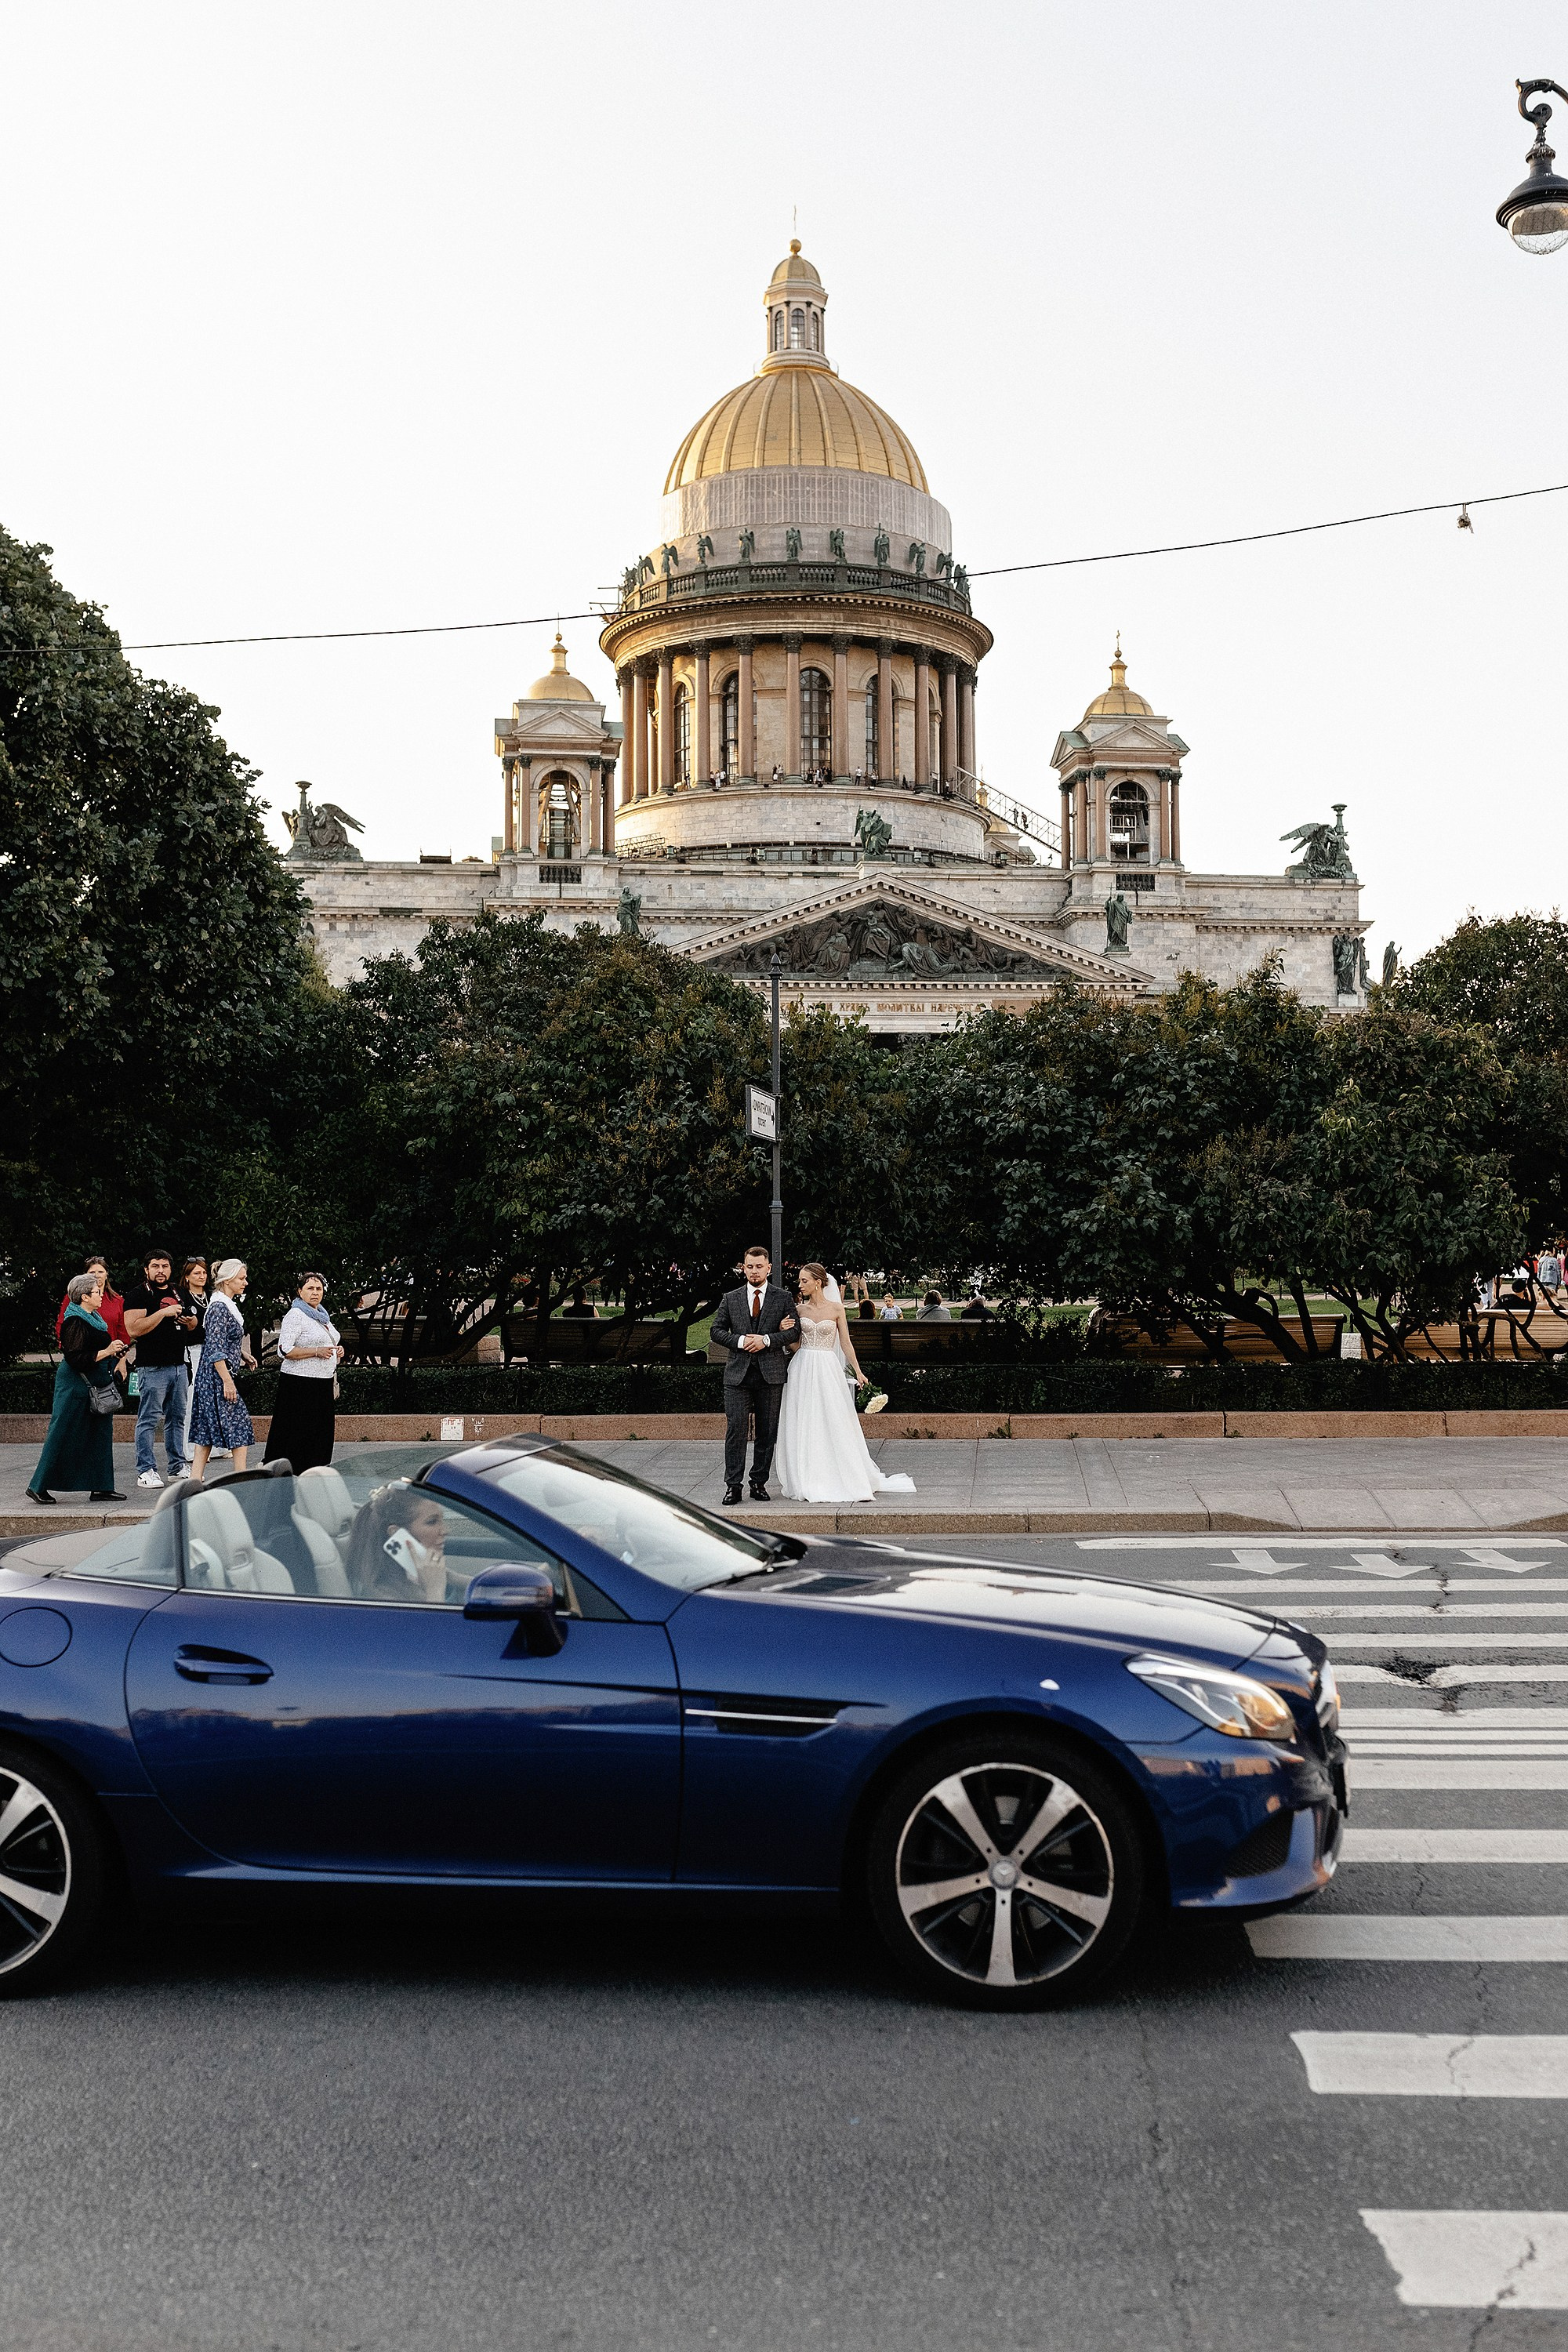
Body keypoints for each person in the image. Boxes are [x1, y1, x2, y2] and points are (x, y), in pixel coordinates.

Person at [773, 1264, 916, 1504]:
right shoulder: (798, 1309)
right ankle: (806, 1475)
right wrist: (782, 1333)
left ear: (818, 1282)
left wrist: (859, 1372)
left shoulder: (837, 1309)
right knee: (805, 1418)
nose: (800, 1285)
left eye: (804, 1281)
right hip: (802, 1366)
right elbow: (795, 1344)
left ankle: (841, 1473)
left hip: (828, 1367)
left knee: (833, 1418)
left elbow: (846, 1344)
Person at [27, 1271, 131, 1505]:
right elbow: (74, 1358)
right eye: (97, 1292)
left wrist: (116, 1351)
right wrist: (107, 1352)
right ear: (84, 1297)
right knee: (62, 1431)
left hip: (97, 1382)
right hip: (76, 1385)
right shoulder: (74, 1320)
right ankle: (38, 1486)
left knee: (99, 1435)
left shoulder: (93, 1318)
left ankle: (102, 1487)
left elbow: (97, 1346)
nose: (102, 1295)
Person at [708, 1244, 798, 1504]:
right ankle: (733, 1485)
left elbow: (794, 1331)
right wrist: (741, 1341)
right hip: (737, 1375)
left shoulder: (782, 1298)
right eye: (750, 1266)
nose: (755, 1271)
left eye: (760, 1267)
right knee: (736, 1430)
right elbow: (716, 1330)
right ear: (743, 1267)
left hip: (770, 1374)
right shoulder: (731, 1298)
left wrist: (768, 1340)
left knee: (767, 1432)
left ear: (768, 1268)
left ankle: (758, 1483)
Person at [122, 1248, 191, 1490]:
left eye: (164, 1266)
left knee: (177, 1418)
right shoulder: (137, 1295)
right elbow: (134, 1329)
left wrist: (189, 1321)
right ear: (146, 1270)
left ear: (171, 1269)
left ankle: (177, 1466)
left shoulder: (179, 1292)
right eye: (155, 1266)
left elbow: (194, 1324)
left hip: (178, 1366)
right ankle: (146, 1470)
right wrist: (163, 1312)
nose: (160, 1271)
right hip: (152, 1368)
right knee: (149, 1419)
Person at [263, 1272, 343, 1474]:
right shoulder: (296, 1315)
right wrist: (316, 1352)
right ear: (300, 1292)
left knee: (320, 1432)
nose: (315, 1293)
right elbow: (285, 1350)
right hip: (300, 1383)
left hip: (322, 1382)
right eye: (310, 1288)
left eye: (319, 1289)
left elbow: (330, 1340)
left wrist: (338, 1350)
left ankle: (316, 1469)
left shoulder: (322, 1316)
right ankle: (293, 1470)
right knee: (298, 1432)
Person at [189, 1258, 256, 1479]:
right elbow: (216, 1349)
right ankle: (240, 1478)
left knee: (207, 1430)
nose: (245, 1282)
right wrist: (228, 1381)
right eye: (241, 1278)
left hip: (213, 1375)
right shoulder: (219, 1307)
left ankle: (195, 1479)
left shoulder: (223, 1304)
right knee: (239, 1425)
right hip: (217, 1377)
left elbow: (219, 1341)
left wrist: (241, 1354)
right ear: (228, 1280)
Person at [343, 1485, 455, 1603]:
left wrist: (447, 1576)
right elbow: (434, 1622)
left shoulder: (415, 1576)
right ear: (396, 1533)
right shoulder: (383, 1597)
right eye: (432, 1522)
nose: (446, 1531)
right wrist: (435, 1591)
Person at [55, 1254, 128, 1348]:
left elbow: (123, 1333)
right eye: (92, 1272)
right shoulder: (73, 1298)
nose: (96, 1276)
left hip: (112, 1355)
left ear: (107, 1275)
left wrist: (122, 1359)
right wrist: (68, 1346)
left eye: (101, 1272)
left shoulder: (117, 1301)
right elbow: (62, 1324)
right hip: (82, 1355)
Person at [177, 1256, 210, 1460]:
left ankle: (212, 1447)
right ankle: (189, 1449)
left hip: (211, 1350)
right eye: (197, 1273)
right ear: (187, 1277)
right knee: (192, 1398)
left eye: (204, 1273)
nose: (201, 1276)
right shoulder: (182, 1297)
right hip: (191, 1351)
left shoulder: (212, 1296)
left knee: (209, 1398)